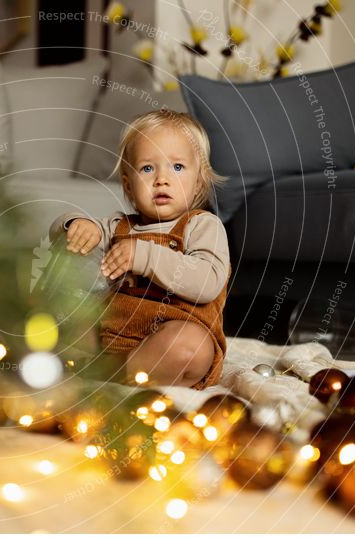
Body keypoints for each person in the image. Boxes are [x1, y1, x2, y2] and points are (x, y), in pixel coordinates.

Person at [49, 109, 230, 389]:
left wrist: (144, 255)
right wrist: (76, 224)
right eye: (147, 168)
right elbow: (58, 234)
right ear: (129, 187)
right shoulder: (120, 226)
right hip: (113, 337)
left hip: (170, 341)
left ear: (199, 182)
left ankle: (107, 377)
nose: (162, 179)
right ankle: (77, 367)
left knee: (190, 346)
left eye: (177, 167)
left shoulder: (203, 226)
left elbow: (207, 283)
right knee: (67, 319)